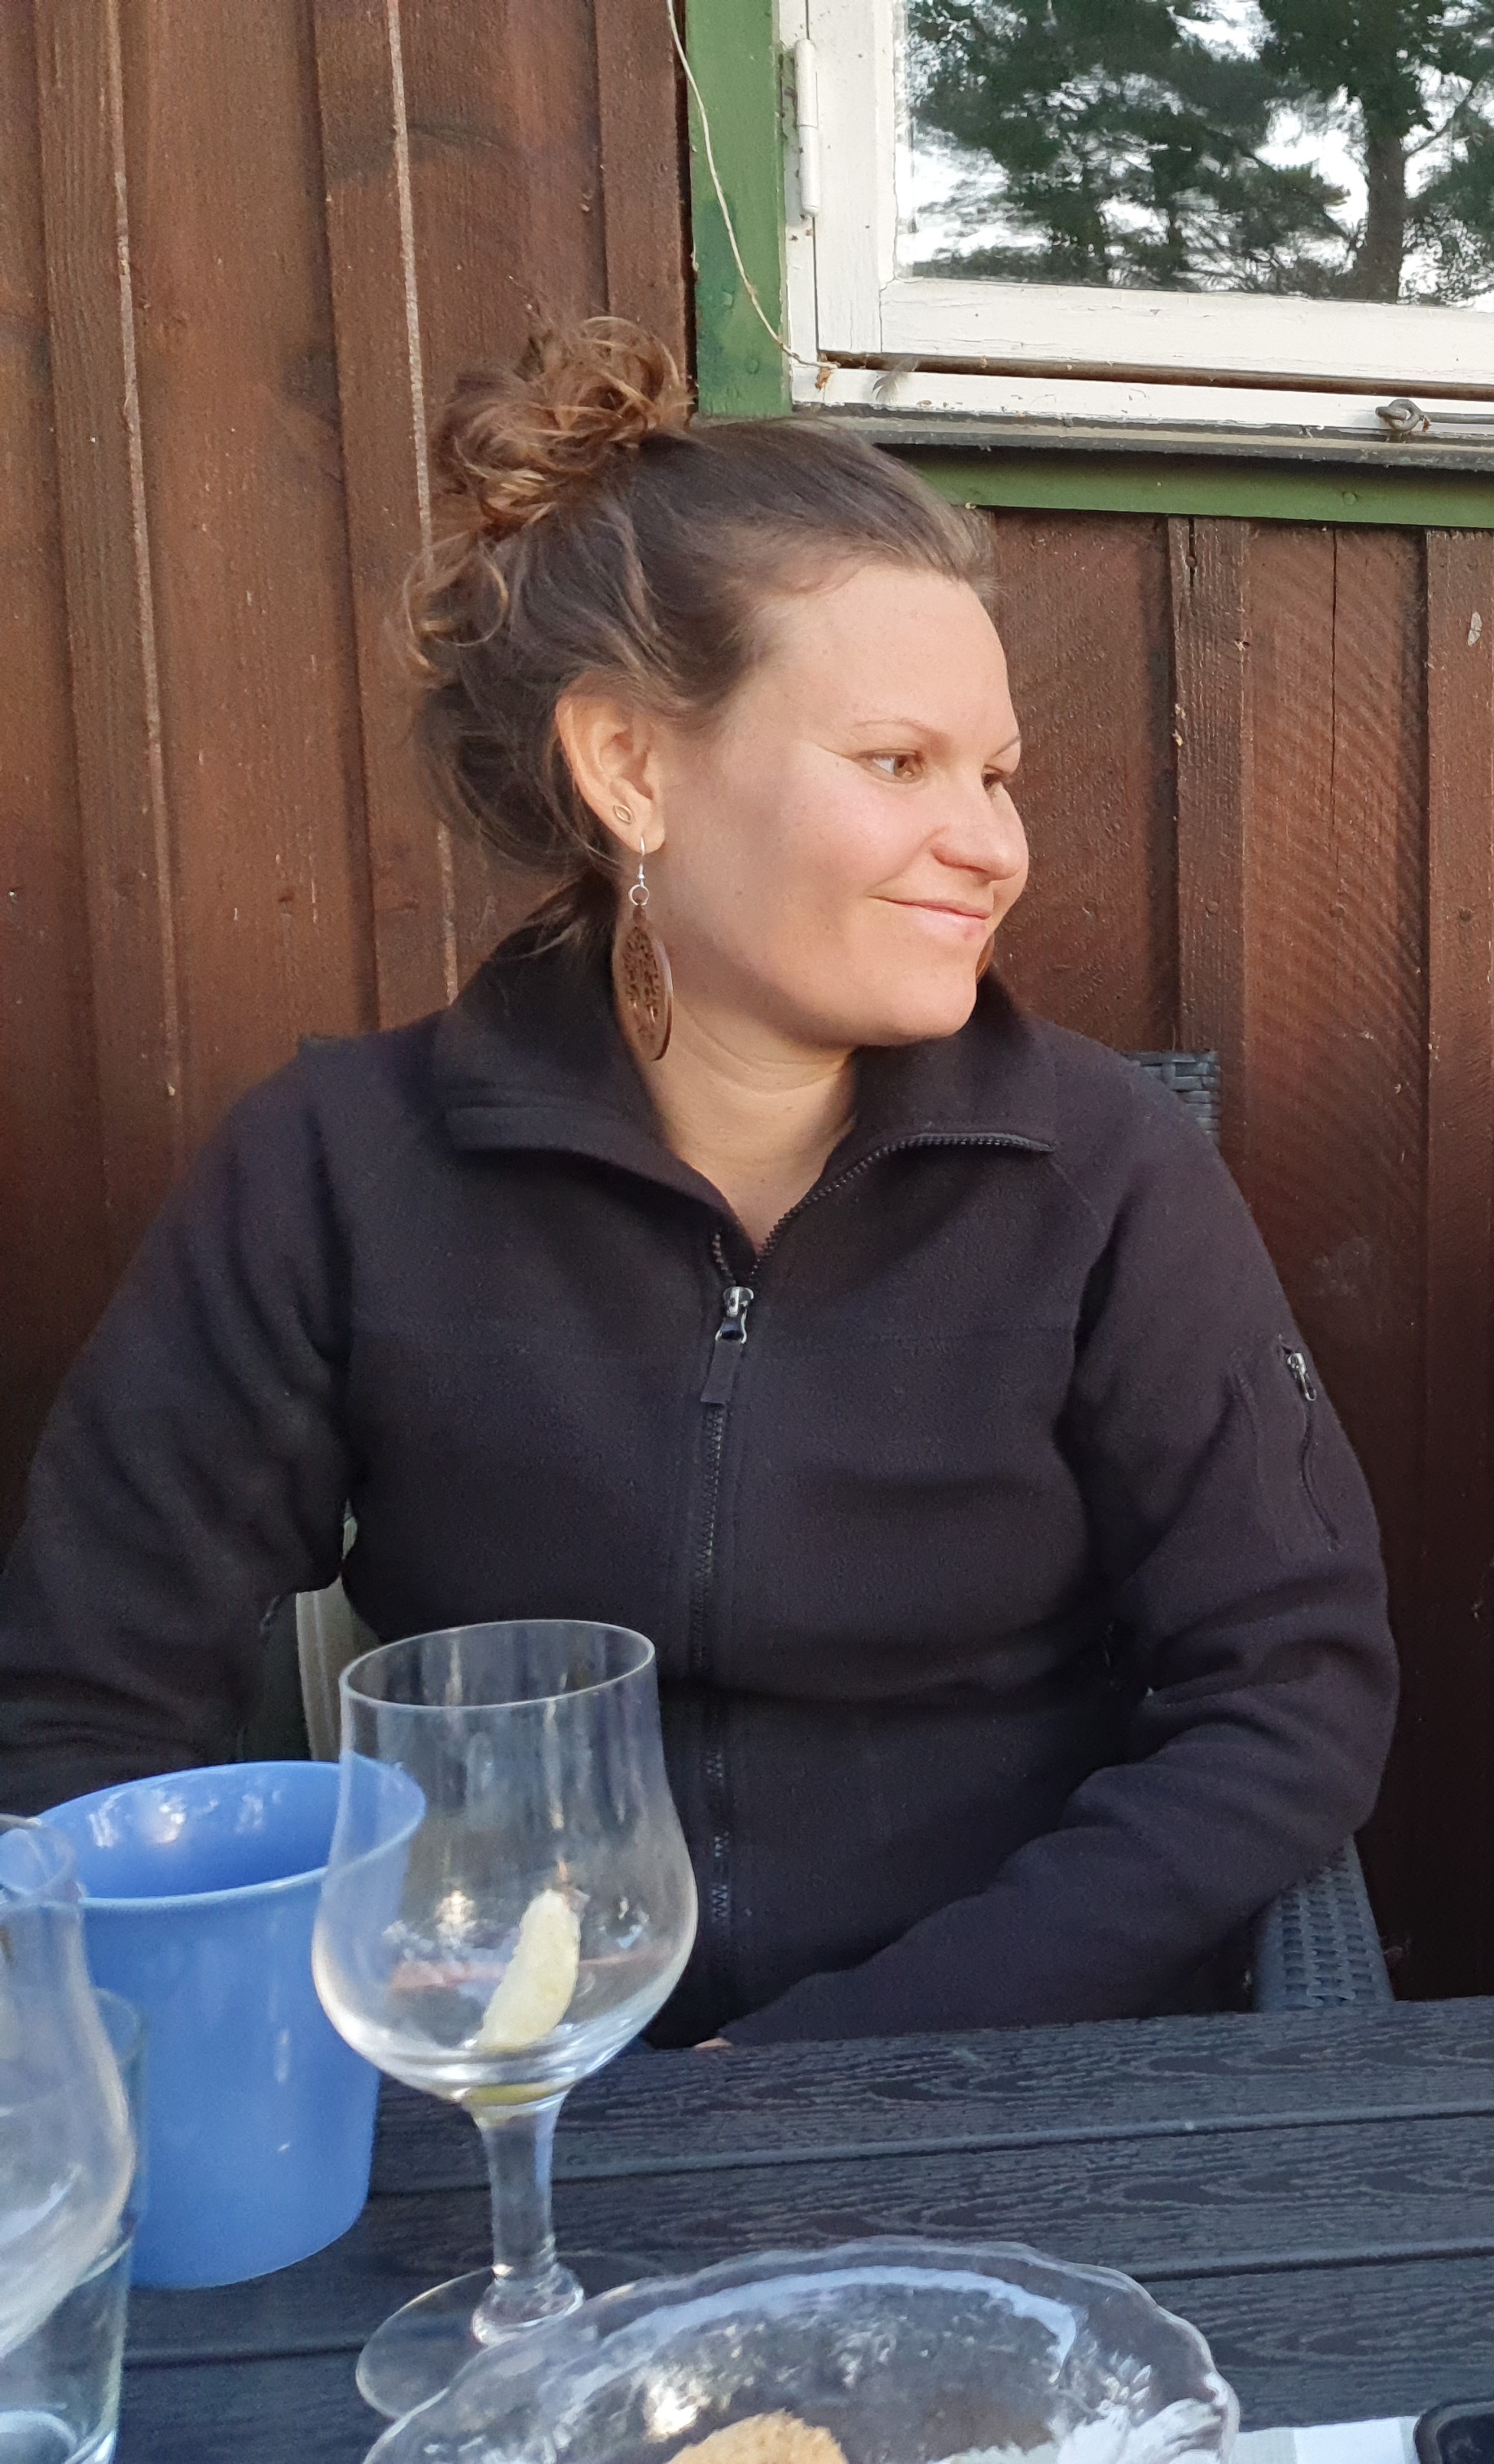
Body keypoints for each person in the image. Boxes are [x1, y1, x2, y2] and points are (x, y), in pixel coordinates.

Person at [0, 323, 1396, 2044]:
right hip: (512, 2077)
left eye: (996, 774)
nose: (992, 843)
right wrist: (258, 2052)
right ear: (632, 768)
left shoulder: (1101, 1174)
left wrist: (839, 2061)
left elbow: (1289, 1697)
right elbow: (90, 1706)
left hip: (1003, 2070)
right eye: (898, 762)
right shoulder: (338, 1169)